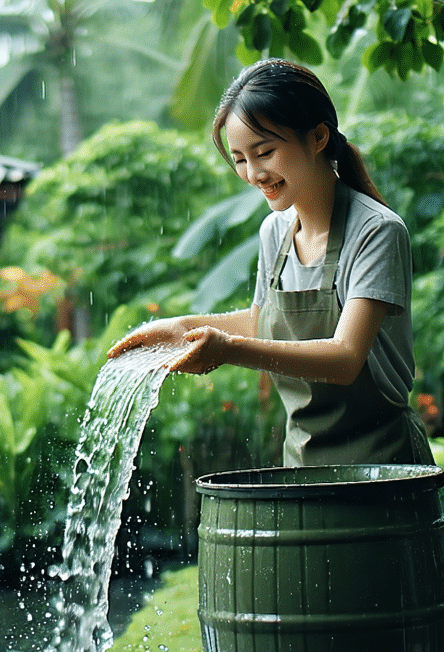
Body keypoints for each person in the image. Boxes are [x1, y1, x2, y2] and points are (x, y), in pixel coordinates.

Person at [110, 58, 427, 467]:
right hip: (303, 465)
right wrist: (182, 328)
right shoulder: (274, 231)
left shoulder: (377, 231)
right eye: (240, 159)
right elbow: (262, 324)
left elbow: (346, 358)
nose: (254, 173)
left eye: (265, 152)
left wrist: (228, 350)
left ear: (318, 137)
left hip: (383, 468)